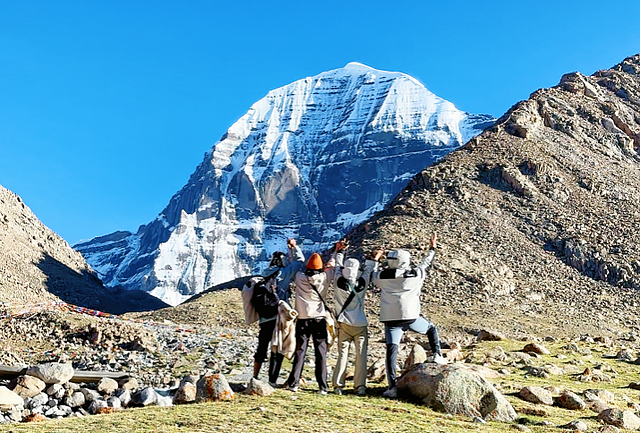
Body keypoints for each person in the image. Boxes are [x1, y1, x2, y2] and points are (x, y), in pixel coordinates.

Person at [369, 232, 446, 399]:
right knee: (431, 328)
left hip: (390, 319)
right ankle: (437, 355)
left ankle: (392, 387)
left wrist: (375, 260)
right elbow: (426, 264)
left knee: (392, 350)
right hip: (410, 316)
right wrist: (432, 248)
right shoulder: (415, 274)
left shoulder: (383, 276)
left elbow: (372, 275)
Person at [284, 252, 335, 395]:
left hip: (302, 319)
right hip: (319, 318)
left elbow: (297, 263)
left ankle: (294, 383)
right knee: (321, 353)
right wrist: (338, 251)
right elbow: (332, 265)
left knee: (300, 351)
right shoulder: (325, 277)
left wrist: (293, 249)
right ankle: (323, 386)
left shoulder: (300, 277)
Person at [331, 239, 375, 396]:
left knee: (343, 354)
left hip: (343, 323)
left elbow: (337, 265)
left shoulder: (337, 280)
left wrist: (341, 250)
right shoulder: (362, 282)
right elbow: (369, 271)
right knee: (361, 355)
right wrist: (373, 259)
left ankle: (338, 386)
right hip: (360, 323)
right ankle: (360, 386)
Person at [250, 270, 285, 387]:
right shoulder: (272, 287)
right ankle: (272, 379)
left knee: (261, 348)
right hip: (275, 321)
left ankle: (255, 375)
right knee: (276, 348)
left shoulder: (258, 288)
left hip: (264, 321)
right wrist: (274, 293)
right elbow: (276, 303)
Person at [262, 238, 306, 305]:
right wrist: (294, 247)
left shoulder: (265, 273)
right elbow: (299, 261)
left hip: (266, 308)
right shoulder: (284, 273)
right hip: (282, 305)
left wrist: (290, 251)